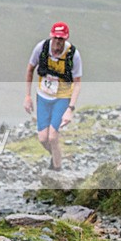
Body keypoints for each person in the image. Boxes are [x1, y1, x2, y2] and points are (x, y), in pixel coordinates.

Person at [24, 22, 83, 171]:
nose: (58, 42)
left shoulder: (73, 55)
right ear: (51, 36)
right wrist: (27, 96)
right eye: (56, 38)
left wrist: (70, 108)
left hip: (62, 98)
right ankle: (56, 156)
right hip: (43, 97)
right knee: (43, 138)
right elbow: (30, 70)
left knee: (52, 137)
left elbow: (77, 83)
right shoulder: (41, 48)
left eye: (61, 39)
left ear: (66, 39)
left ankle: (57, 170)